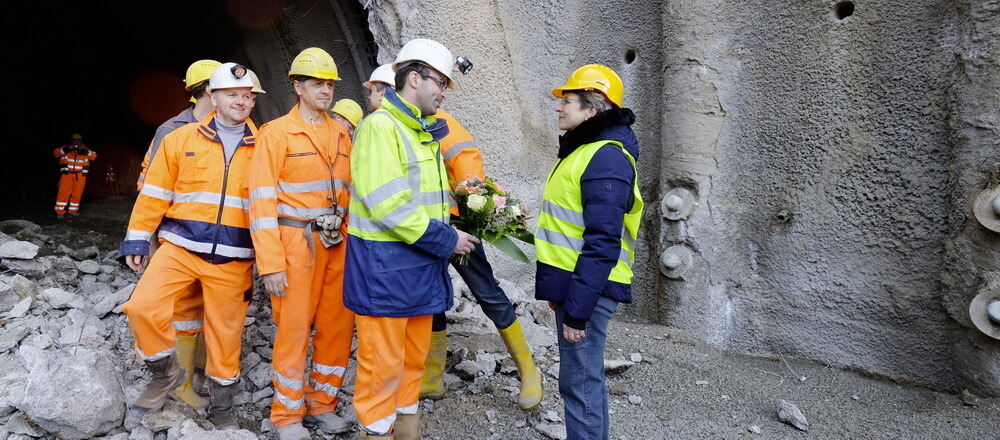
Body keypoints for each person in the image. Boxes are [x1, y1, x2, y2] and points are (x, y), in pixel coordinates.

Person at [345, 38, 479, 439]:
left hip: (415, 274)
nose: (443, 92)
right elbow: (389, 205)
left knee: (410, 368)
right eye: (440, 82)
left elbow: (423, 204)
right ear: (414, 78)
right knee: (381, 374)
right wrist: (446, 240)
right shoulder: (380, 128)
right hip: (385, 275)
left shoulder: (420, 132)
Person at [119, 62, 260, 431]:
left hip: (234, 258)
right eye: (232, 94)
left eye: (247, 96)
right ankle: (165, 373)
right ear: (212, 96)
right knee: (141, 307)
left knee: (226, 338)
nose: (241, 101)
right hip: (179, 248)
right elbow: (154, 193)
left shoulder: (264, 147)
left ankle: (222, 407)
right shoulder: (180, 139)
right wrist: (137, 237)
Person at [249, 47, 354, 440]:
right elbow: (260, 202)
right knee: (293, 329)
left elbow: (352, 192)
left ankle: (322, 404)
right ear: (297, 86)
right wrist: (271, 264)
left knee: (337, 325)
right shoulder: (275, 133)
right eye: (317, 83)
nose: (325, 90)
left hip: (337, 241)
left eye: (329, 84)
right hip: (296, 241)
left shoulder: (341, 132)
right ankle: (286, 415)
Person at [534, 64, 644, 439]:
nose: (558, 108)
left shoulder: (605, 157)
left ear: (592, 109)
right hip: (579, 287)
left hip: (591, 290)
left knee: (579, 384)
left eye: (568, 101)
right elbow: (570, 231)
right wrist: (557, 291)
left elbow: (602, 241)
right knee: (580, 380)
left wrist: (577, 310)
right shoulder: (586, 152)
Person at [417, 109, 542, 410]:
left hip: (456, 226)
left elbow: (465, 157)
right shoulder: (393, 127)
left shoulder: (434, 121)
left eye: (380, 91)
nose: (376, 98)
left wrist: (474, 208)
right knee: (432, 297)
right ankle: (433, 376)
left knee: (486, 292)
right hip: (423, 229)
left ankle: (529, 370)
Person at [133, 59, 223, 410]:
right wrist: (150, 236)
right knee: (183, 306)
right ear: (207, 91)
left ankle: (200, 367)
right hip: (178, 234)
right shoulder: (171, 130)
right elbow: (149, 187)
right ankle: (179, 382)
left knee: (210, 305)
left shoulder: (236, 127)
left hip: (218, 237)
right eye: (225, 91)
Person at [53, 133, 97, 218]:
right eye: (74, 140)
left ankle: (73, 210)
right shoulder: (65, 148)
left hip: (80, 176)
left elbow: (94, 156)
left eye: (78, 140)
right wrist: (68, 148)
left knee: (77, 193)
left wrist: (84, 150)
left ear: (80, 141)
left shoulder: (84, 149)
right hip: (67, 175)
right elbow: (56, 153)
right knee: (63, 193)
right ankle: (60, 212)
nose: (76, 142)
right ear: (71, 140)